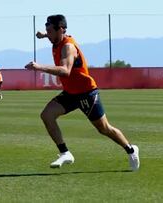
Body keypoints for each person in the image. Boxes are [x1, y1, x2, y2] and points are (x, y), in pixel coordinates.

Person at [25, 14, 140, 171]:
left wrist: (39, 67)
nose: (48, 33)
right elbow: (52, 36)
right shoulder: (56, 38)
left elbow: (65, 71)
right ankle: (65, 153)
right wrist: (43, 35)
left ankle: (131, 150)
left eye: (50, 30)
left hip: (87, 93)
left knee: (104, 129)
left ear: (61, 29)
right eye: (47, 30)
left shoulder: (68, 47)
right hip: (71, 93)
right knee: (47, 115)